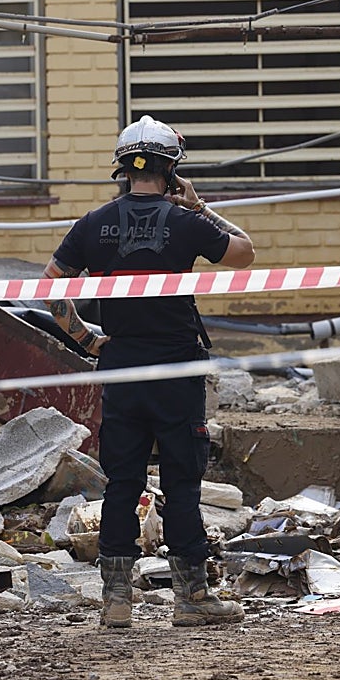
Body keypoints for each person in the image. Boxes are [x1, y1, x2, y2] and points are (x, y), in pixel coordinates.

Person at [43, 115, 255, 629]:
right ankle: (192, 598)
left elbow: (52, 289)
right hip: (176, 371)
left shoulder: (92, 224)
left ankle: (116, 601)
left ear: (122, 170)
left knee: (122, 482)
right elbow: (245, 253)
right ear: (172, 169)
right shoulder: (186, 222)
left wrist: (88, 339)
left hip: (120, 368)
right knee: (182, 484)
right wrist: (199, 204)